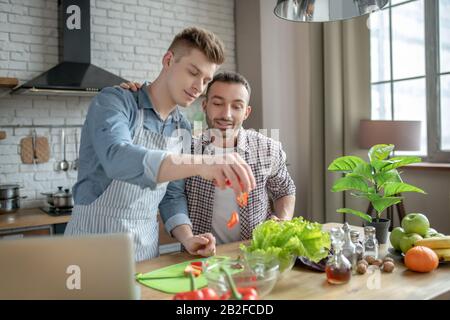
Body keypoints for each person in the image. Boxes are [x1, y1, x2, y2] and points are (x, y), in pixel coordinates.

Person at [65, 27, 256, 262]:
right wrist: (203, 162)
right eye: (193, 72)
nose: (199, 87)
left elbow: (172, 196)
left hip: (145, 253)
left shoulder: (182, 128)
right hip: (91, 248)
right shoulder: (115, 102)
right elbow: (116, 157)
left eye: (206, 80)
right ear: (168, 60)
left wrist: (187, 238)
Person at [122, 71, 296, 245]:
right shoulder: (186, 148)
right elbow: (173, 196)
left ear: (246, 112)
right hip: (201, 258)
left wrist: (283, 222)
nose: (226, 114)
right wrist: (132, 99)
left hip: (255, 254)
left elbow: (285, 190)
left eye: (236, 106)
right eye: (218, 103)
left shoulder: (267, 149)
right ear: (204, 106)